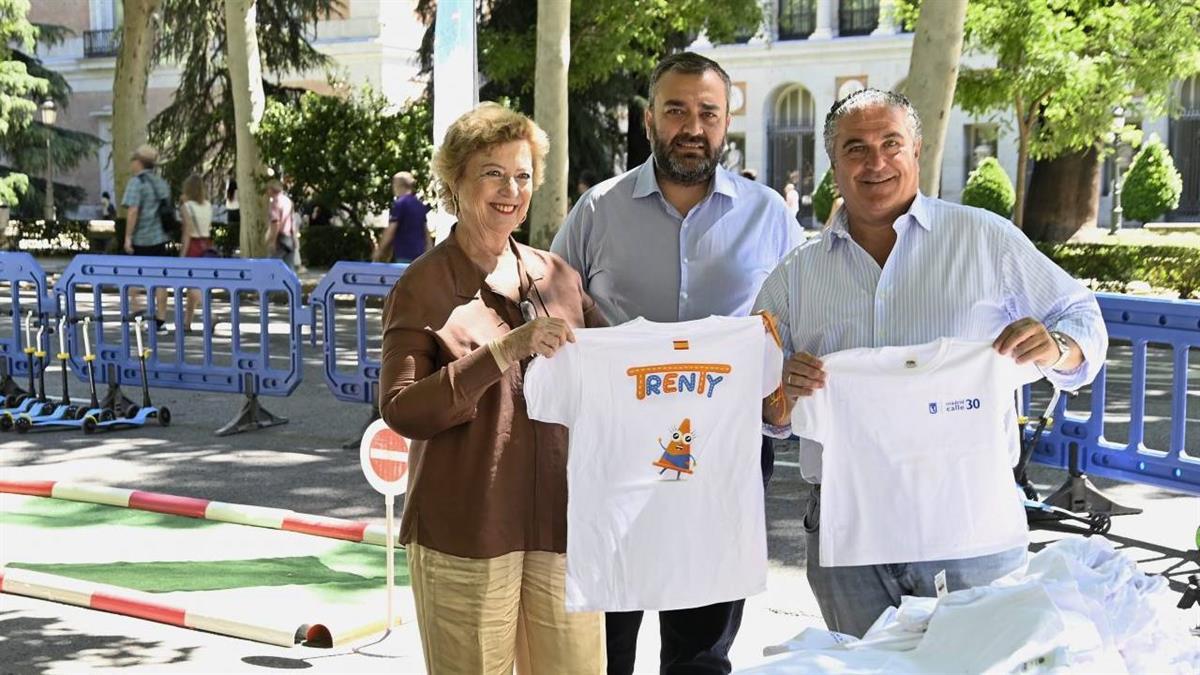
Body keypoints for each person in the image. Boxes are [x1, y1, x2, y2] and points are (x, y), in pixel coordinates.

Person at [755, 89, 1108, 638]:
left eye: (890, 143)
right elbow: (763, 405)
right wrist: (781, 392)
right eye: (855, 148)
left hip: (970, 524)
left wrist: (1059, 347)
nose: (875, 162)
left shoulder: (984, 239)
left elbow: (1080, 312)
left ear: (917, 150)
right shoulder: (795, 276)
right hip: (848, 535)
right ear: (833, 164)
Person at [552, 51, 802, 675]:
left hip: (727, 451)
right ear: (649, 121)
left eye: (707, 113)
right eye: (676, 110)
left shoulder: (769, 214)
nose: (692, 126)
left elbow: (802, 316)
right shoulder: (597, 210)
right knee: (603, 631)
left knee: (702, 642)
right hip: (613, 451)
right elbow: (550, 304)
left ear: (725, 123)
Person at [379, 102, 607, 674]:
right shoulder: (422, 285)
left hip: (562, 527)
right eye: (494, 173)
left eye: (523, 175)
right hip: (466, 532)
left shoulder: (558, 276)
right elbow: (402, 409)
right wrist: (503, 351)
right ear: (455, 181)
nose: (512, 189)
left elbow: (617, 370)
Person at [121, 144, 172, 332]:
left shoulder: (136, 183)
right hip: (160, 238)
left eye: (133, 159)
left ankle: (138, 316)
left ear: (139, 163)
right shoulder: (162, 183)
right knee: (160, 280)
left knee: (131, 278)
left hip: (141, 239)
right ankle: (160, 320)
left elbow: (133, 211)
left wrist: (127, 237)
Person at [178, 174, 213, 333]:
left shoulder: (187, 207)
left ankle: (211, 315)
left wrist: (182, 255)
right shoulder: (208, 205)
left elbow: (187, 232)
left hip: (192, 245)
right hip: (206, 244)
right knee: (197, 284)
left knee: (192, 285)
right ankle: (187, 322)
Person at [372, 171, 430, 263]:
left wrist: (380, 251)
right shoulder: (419, 205)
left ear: (398, 185)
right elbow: (426, 232)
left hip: (404, 254)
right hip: (420, 256)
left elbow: (391, 230)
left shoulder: (400, 204)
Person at [264, 179, 296, 268]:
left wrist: (273, 241)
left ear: (271, 189)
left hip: (280, 238)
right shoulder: (288, 201)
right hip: (289, 238)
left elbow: (275, 223)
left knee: (271, 266)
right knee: (289, 268)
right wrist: (295, 239)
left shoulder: (275, 203)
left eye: (267, 189)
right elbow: (293, 220)